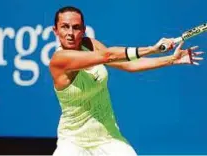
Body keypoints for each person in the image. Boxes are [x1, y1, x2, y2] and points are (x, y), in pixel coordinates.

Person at [49, 6, 204, 156]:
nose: (70, 33)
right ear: (55, 30)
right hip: (73, 143)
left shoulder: (90, 44)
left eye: (76, 27)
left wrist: (170, 59)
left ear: (83, 30)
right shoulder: (59, 59)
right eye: (65, 27)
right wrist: (152, 49)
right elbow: (108, 56)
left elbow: (129, 64)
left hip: (109, 138)